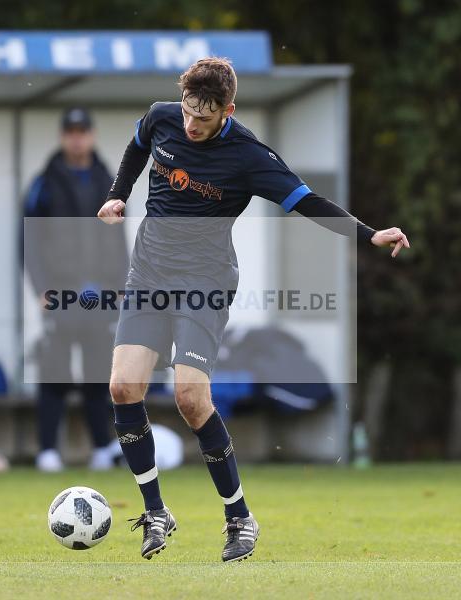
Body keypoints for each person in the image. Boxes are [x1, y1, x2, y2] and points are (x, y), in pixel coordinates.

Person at [98, 57, 410, 562]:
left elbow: (308, 203)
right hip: (149, 275)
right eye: (186, 113)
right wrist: (116, 197)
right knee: (122, 387)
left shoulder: (248, 156)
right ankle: (156, 511)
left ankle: (239, 517)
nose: (190, 125)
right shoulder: (161, 117)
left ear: (228, 110)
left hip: (204, 282)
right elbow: (136, 151)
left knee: (191, 399)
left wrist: (370, 233)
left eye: (203, 117)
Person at [24, 107, 129, 472]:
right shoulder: (45, 182)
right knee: (55, 371)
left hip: (100, 294)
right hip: (60, 292)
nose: (77, 138)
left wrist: (121, 286)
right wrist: (41, 287)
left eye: (83, 131)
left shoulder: (109, 181)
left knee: (99, 372)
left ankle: (101, 447)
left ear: (92, 135)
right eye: (70, 131)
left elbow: (119, 240)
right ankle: (48, 450)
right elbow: (30, 241)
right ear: (62, 136)